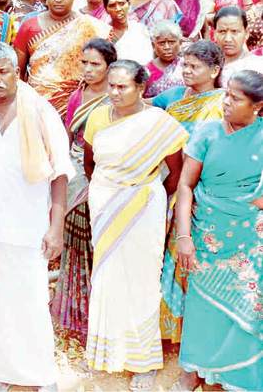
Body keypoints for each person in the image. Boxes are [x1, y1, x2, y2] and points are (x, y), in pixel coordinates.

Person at [0, 41, 73, 391]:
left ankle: (38, 377)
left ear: (16, 72)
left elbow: (60, 173)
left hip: (28, 226)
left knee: (29, 301)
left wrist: (56, 228)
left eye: (2, 71)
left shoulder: (39, 111)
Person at [83, 60, 187, 390]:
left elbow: (175, 171)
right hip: (104, 204)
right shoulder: (98, 117)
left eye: (122, 86)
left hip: (144, 207)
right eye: (111, 85)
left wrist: (141, 196)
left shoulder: (159, 122)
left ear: (141, 88)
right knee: (107, 277)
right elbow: (89, 164)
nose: (113, 92)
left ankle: (143, 362)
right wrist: (110, 196)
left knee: (142, 281)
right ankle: (108, 353)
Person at [173, 70, 263, 392]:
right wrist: (184, 238)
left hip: (250, 241)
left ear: (258, 107)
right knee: (203, 308)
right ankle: (193, 373)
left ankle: (236, 376)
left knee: (247, 307)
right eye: (225, 94)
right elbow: (185, 185)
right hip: (206, 236)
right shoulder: (207, 132)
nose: (225, 102)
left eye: (235, 98)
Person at [150, 40, 225, 344]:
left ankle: (204, 332)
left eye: (195, 66)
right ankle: (174, 330)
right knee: (174, 255)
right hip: (176, 188)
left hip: (210, 194)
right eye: (185, 65)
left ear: (215, 70)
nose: (187, 72)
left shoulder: (224, 103)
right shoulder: (176, 104)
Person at [52, 38, 116, 338]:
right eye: (85, 63)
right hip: (78, 170)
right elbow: (69, 132)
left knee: (101, 242)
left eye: (96, 64)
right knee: (76, 239)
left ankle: (104, 313)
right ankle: (76, 310)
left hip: (107, 173)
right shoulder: (79, 93)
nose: (88, 69)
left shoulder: (117, 95)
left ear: (109, 66)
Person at [14, 0, 110, 117]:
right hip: (36, 103)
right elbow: (18, 72)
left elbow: (105, 68)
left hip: (78, 103)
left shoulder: (90, 26)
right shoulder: (29, 26)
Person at [102, 0, 153, 65]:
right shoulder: (103, 33)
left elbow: (147, 60)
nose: (118, 9)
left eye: (121, 4)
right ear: (106, 9)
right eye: (112, 5)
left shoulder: (139, 30)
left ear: (129, 4)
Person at [214, 6, 263, 86]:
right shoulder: (206, 63)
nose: (228, 39)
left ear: (246, 33)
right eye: (222, 31)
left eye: (235, 31)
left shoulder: (257, 66)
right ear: (215, 33)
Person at [144, 20, 184, 98]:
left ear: (180, 43)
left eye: (171, 42)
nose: (167, 47)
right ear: (153, 45)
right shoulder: (147, 71)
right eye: (162, 43)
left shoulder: (186, 66)